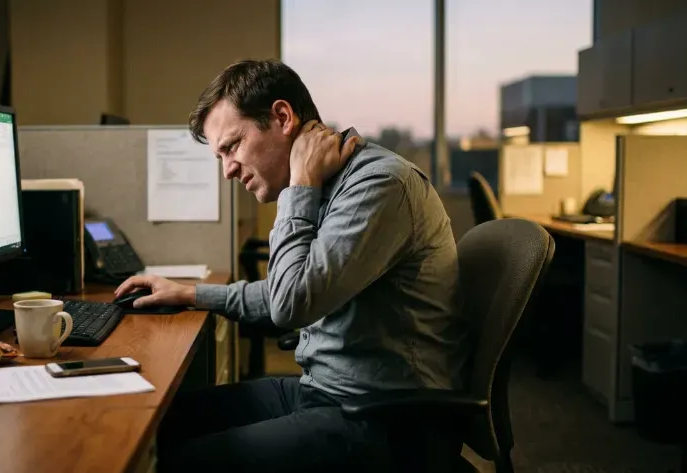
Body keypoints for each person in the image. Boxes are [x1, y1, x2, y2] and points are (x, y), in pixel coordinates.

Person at [114, 59, 470, 472]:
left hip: (386, 420)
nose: (228, 170)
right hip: (328, 393)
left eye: (232, 146)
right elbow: (287, 289)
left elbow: (291, 304)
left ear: (282, 117)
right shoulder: (336, 185)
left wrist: (300, 185)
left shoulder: (379, 185)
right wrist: (188, 293)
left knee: (174, 464)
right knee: (159, 423)